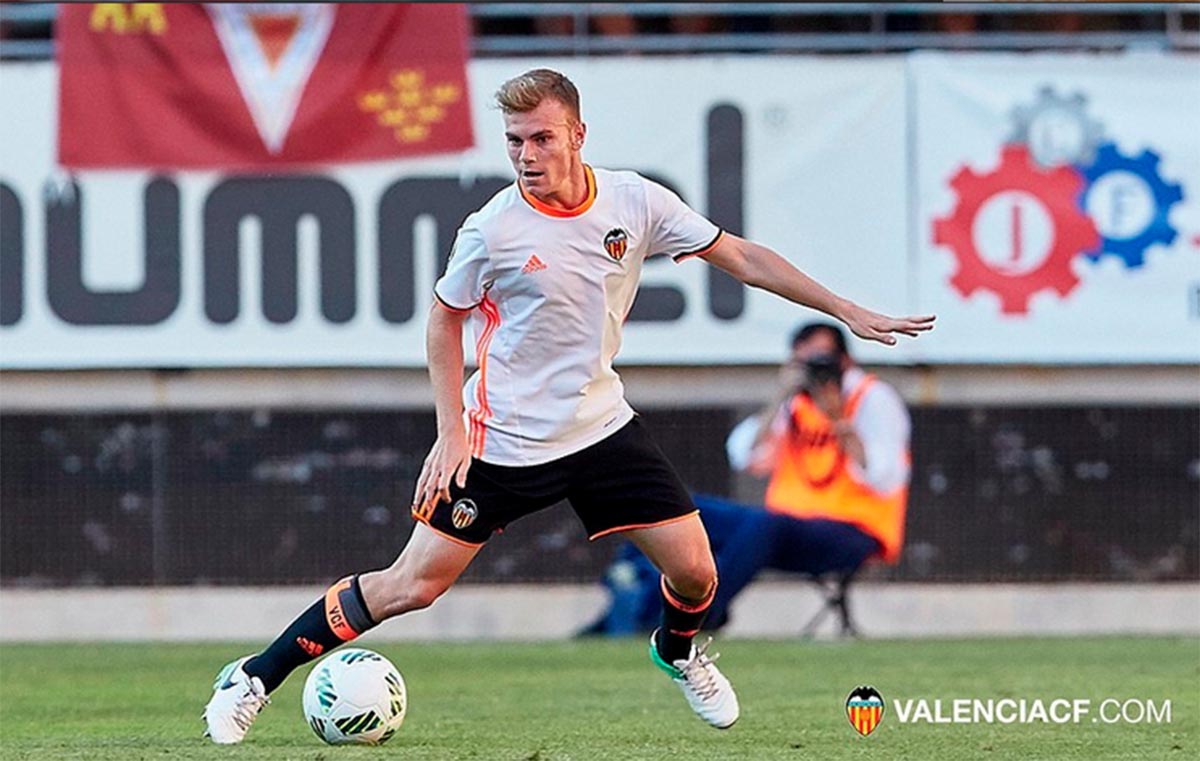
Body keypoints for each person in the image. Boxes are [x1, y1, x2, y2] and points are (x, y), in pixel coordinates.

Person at [202, 68, 934, 743]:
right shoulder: (492, 229)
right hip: (503, 442)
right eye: (515, 140)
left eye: (542, 137)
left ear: (578, 135)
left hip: (600, 429)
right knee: (410, 586)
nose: (526, 154)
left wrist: (844, 310)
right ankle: (252, 678)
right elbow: (442, 317)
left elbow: (740, 255)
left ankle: (676, 651)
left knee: (699, 575)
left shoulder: (636, 201)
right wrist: (451, 431)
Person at [582, 322, 911, 634]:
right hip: (785, 525)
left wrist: (839, 420)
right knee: (684, 508)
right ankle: (627, 598)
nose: (816, 370)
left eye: (822, 361)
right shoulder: (796, 403)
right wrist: (780, 397)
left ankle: (698, 613)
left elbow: (885, 478)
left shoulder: (872, 399)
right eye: (806, 361)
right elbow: (746, 456)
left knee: (764, 526)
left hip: (854, 532)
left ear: (846, 360)